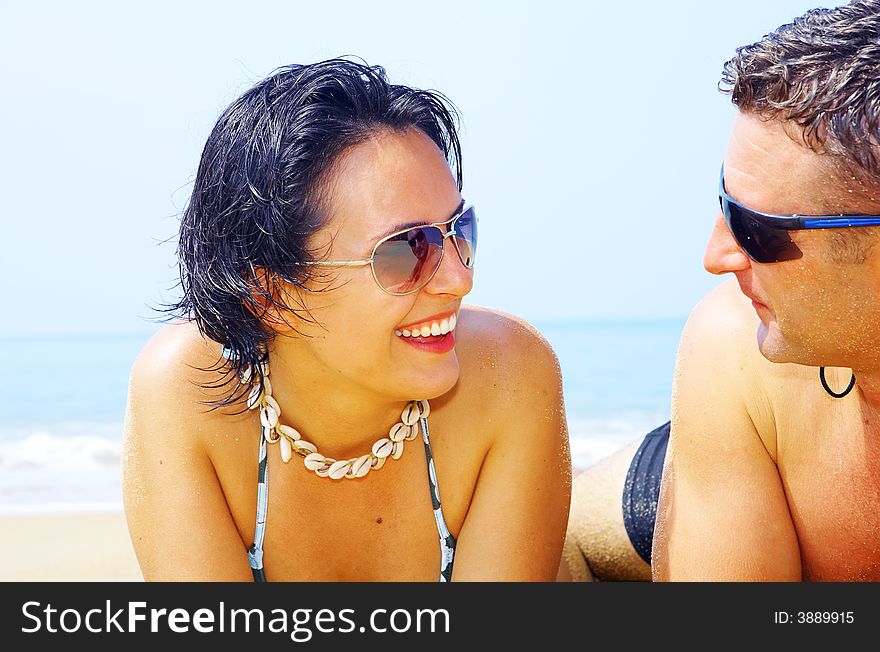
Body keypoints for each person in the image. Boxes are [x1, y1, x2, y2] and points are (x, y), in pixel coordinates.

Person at [122, 59, 570, 581]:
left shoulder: (506, 372)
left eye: (458, 229)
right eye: (406, 250)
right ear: (272, 296)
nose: (458, 279)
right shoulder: (186, 388)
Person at [560, 0, 880, 581]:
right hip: (673, 489)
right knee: (551, 536)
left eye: (758, 229)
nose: (715, 257)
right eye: (725, 202)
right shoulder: (733, 345)